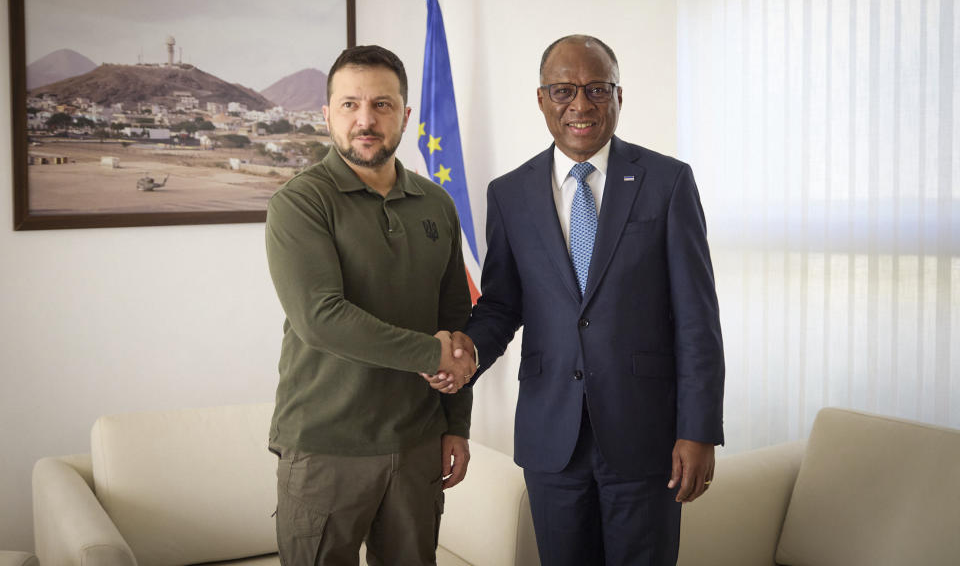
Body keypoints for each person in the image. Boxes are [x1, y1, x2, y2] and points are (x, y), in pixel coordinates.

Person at [425, 35, 725, 565]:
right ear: (542, 99)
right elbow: (501, 304)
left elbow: (698, 319)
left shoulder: (667, 182)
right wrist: (469, 350)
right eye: (563, 90)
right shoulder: (509, 193)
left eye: (596, 90)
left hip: (645, 434)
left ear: (618, 96)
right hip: (551, 436)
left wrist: (698, 430)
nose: (580, 106)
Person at [266, 44, 477, 565]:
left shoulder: (437, 203)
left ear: (405, 116)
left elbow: (455, 321)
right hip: (325, 448)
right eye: (350, 105)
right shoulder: (299, 202)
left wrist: (457, 424)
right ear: (327, 115)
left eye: (382, 105)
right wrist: (432, 355)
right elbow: (321, 319)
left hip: (418, 445)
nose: (366, 119)